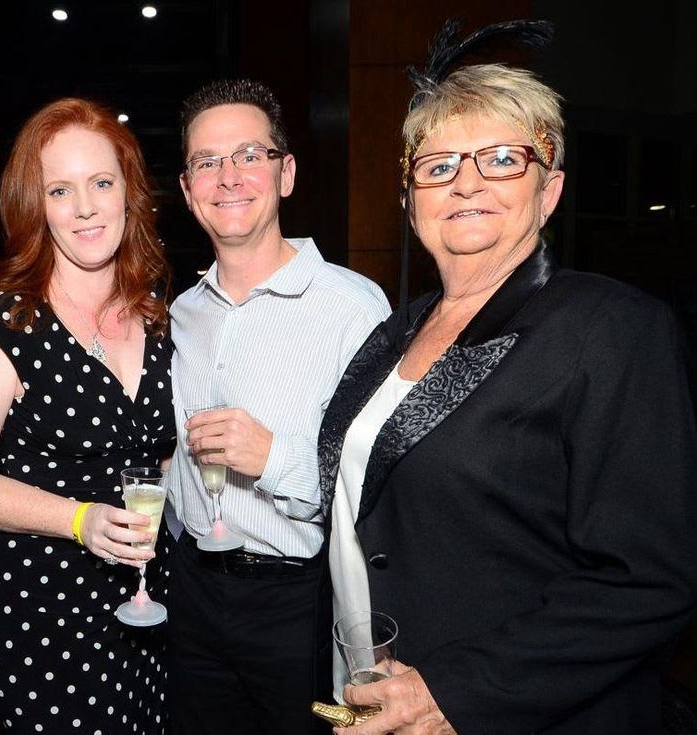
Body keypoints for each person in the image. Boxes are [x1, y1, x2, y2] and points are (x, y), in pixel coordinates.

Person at [318, 63, 697, 735]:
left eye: (500, 159)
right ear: (409, 200)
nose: (465, 182)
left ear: (548, 191)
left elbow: (646, 580)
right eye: (437, 167)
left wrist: (451, 694)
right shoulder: (396, 330)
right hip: (379, 699)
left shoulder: (611, 328)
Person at [0, 97, 175, 734]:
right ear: (36, 206)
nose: (86, 207)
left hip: (147, 598)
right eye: (60, 190)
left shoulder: (155, 316)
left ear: (129, 192)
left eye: (101, 183)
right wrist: (77, 519)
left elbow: (158, 450)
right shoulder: (6, 324)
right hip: (41, 606)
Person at [167, 79, 391, 735]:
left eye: (249, 154)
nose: (228, 175)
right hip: (190, 591)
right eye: (207, 161)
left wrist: (274, 459)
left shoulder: (354, 308)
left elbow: (382, 482)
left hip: (297, 601)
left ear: (285, 172)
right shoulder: (179, 313)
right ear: (187, 190)